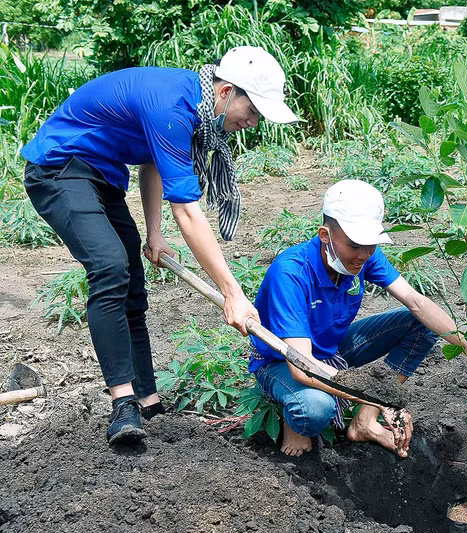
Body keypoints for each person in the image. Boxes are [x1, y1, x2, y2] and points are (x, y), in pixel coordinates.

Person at [21, 46, 300, 445]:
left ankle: (147, 400)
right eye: (252, 111)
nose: (253, 123)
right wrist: (232, 293)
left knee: (132, 283)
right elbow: (187, 213)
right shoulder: (172, 106)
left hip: (101, 176)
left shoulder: (193, 104)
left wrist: (154, 233)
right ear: (225, 93)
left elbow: (152, 162)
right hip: (58, 168)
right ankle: (123, 403)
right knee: (110, 267)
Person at [250, 179, 467, 458]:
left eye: (371, 245)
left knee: (421, 325)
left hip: (331, 350)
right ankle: (293, 419)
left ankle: (364, 422)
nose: (364, 255)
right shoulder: (290, 273)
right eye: (355, 245)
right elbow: (302, 366)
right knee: (315, 409)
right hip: (282, 361)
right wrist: (382, 398)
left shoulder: (363, 255)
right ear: (324, 235)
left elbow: (416, 302)